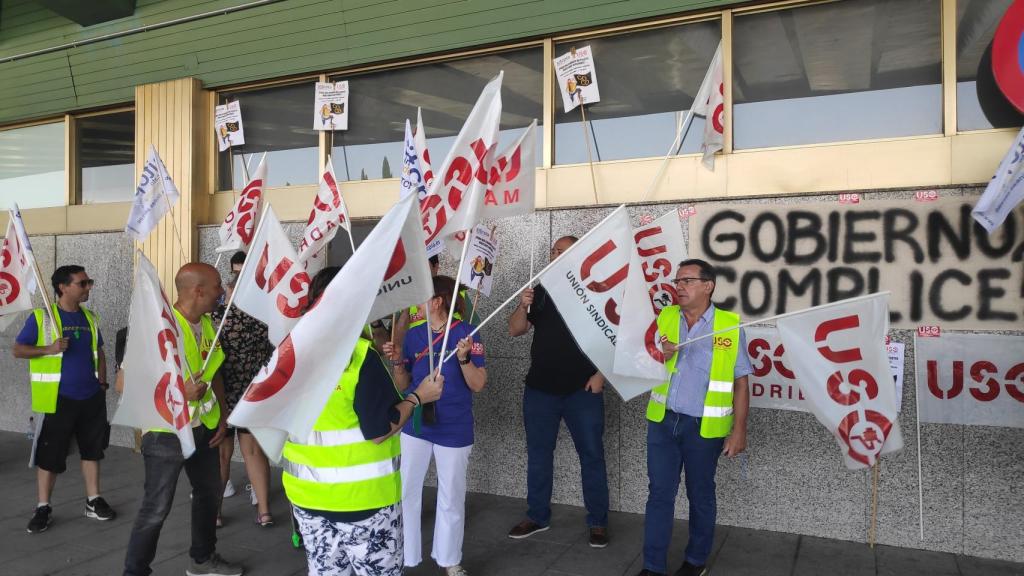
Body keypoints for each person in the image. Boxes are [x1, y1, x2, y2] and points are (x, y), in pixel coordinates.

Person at [282, 266, 443, 576]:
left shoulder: (288, 351)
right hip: (363, 503)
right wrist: (418, 397)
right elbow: (380, 430)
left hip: (307, 498)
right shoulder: (358, 358)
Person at [122, 262, 243, 576]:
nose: (222, 292)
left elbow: (213, 372)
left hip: (205, 428)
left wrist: (223, 416)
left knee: (209, 494)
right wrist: (179, 391)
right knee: (157, 506)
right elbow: (124, 383)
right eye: (217, 286)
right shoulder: (159, 328)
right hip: (167, 433)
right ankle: (135, 571)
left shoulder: (208, 324)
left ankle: (202, 559)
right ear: (198, 291)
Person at [636, 258, 752, 576]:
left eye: (687, 281)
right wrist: (658, 355)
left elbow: (741, 383)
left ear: (708, 286)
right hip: (662, 422)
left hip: (703, 427)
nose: (679, 287)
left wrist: (739, 430)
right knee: (659, 493)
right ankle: (652, 566)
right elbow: (639, 361)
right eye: (677, 281)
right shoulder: (665, 317)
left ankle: (696, 561)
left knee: (700, 494)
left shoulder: (728, 325)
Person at [506, 236, 610, 548]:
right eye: (553, 251)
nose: (554, 255)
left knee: (592, 456)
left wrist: (601, 375)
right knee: (539, 456)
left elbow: (616, 337)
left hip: (583, 390)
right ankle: (537, 516)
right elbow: (515, 329)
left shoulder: (597, 291)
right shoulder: (541, 291)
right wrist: (522, 305)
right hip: (540, 390)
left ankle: (598, 521)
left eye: (562, 251)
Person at [382, 275, 486, 576]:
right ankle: (406, 556)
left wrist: (464, 359)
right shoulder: (414, 335)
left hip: (454, 426)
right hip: (416, 424)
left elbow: (478, 384)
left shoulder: (468, 334)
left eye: (423, 297)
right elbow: (404, 385)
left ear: (438, 301)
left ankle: (449, 559)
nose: (417, 303)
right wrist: (398, 361)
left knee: (451, 496)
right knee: (406, 491)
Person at [13, 265, 114, 533]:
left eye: (89, 282)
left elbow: (99, 352)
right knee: (50, 455)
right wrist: (49, 348)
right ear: (63, 287)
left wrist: (102, 385)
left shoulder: (89, 317)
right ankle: (43, 507)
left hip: (91, 397)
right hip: (57, 399)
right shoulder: (42, 317)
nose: (88, 287)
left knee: (93, 450)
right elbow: (18, 350)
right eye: (83, 283)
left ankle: (93, 500)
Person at [212, 263, 275, 527]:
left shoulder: (218, 319)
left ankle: (215, 513)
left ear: (232, 289)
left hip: (223, 394)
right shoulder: (265, 319)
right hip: (253, 392)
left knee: (221, 455)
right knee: (253, 452)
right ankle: (264, 511)